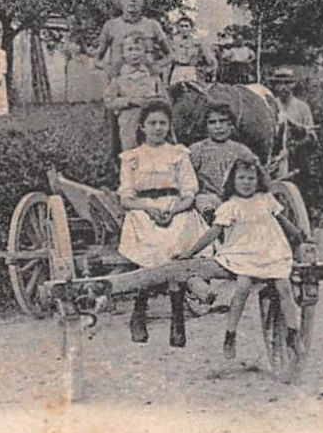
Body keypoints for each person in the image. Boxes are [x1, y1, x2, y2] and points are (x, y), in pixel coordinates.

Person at [178, 157, 304, 360]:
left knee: (284, 286)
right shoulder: (231, 205)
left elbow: (282, 221)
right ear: (233, 181)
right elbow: (214, 232)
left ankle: (292, 332)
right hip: (243, 254)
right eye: (242, 178)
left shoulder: (266, 200)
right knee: (243, 287)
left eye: (251, 178)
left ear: (258, 180)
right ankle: (231, 333)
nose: (246, 182)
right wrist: (190, 253)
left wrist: (298, 236)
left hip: (271, 253)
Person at [116, 100, 212, 347]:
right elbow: (126, 197)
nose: (157, 128)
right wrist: (147, 208)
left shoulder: (179, 154)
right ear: (142, 127)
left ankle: (177, 317)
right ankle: (139, 311)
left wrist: (173, 208)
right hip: (143, 211)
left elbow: (190, 191)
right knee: (149, 244)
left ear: (169, 126)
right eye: (152, 123)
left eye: (162, 123)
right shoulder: (132, 158)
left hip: (175, 208)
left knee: (177, 239)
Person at [188, 102, 258, 219]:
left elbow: (254, 175)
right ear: (205, 126)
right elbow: (187, 178)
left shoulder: (241, 151)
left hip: (235, 198)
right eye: (212, 122)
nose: (218, 127)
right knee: (203, 200)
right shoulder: (197, 150)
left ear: (231, 125)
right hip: (208, 197)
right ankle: (210, 217)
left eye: (223, 121)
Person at [94, 0, 170, 74]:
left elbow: (170, 55)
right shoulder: (110, 25)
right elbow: (97, 59)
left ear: (144, 0)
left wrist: (155, 66)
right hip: (120, 83)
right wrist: (109, 69)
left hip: (146, 82)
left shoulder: (152, 25)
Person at [104, 36, 165, 151]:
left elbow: (164, 98)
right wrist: (129, 101)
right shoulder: (119, 77)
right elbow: (109, 101)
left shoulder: (152, 76)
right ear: (123, 54)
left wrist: (154, 101)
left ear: (144, 52)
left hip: (151, 123)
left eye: (138, 49)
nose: (134, 54)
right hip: (129, 122)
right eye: (130, 49)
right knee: (130, 152)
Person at [269, 67, 317, 181]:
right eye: (279, 83)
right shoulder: (270, 105)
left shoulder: (302, 107)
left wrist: (293, 147)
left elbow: (311, 136)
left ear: (294, 84)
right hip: (274, 155)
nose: (284, 87)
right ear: (275, 86)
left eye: (288, 83)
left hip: (296, 156)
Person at [167, 14, 217, 87]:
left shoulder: (197, 43)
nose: (184, 29)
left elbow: (211, 61)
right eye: (182, 26)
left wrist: (205, 72)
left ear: (191, 28)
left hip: (191, 72)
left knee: (191, 94)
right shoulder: (172, 42)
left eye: (186, 26)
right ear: (178, 27)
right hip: (177, 72)